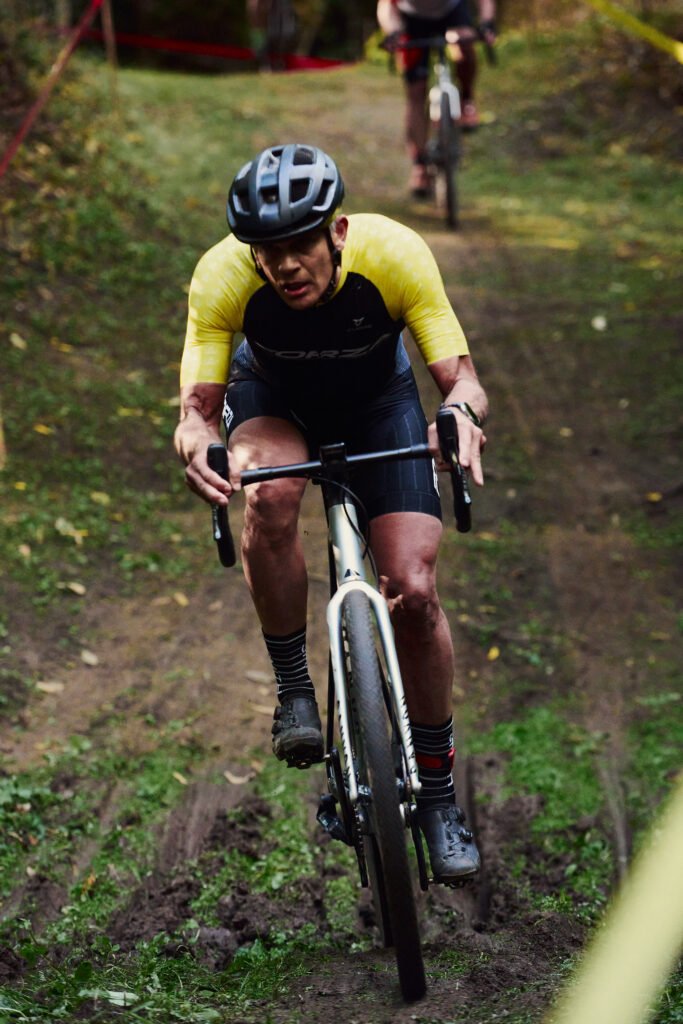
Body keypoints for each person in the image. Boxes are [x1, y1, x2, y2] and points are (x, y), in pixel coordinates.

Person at [174, 143, 488, 883]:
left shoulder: (395, 256)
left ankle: (438, 798)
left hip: (379, 405)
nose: (285, 266)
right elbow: (197, 410)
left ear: (337, 233)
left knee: (414, 592)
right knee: (270, 493)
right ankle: (294, 692)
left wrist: (459, 415)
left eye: (301, 245)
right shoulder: (222, 276)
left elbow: (463, 383)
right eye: (268, 251)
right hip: (273, 404)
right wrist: (195, 442)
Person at [377, 0, 497, 196]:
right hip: (413, 19)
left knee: (464, 41)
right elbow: (386, 5)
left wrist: (486, 22)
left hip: (451, 11)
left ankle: (466, 100)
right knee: (415, 93)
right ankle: (420, 165)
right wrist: (392, 32)